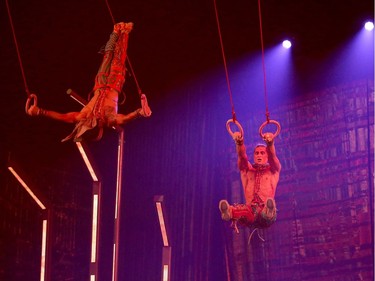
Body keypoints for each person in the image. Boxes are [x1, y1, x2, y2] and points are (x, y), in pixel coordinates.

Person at [26, 22, 151, 142]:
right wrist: (139, 112)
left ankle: (115, 32)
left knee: (107, 55)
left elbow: (62, 117)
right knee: (118, 58)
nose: (84, 123)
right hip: (114, 84)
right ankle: (124, 32)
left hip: (100, 83)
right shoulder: (109, 119)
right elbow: (124, 119)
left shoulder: (83, 116)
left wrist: (40, 111)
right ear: (94, 126)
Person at [219, 130, 281, 232]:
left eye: (262, 153)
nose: (259, 155)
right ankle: (228, 212)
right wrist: (239, 143)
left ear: (267, 155)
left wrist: (270, 144)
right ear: (254, 156)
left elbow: (273, 157)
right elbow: (242, 157)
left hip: (265, 214)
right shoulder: (247, 171)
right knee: (243, 211)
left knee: (265, 212)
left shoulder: (273, 170)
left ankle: (269, 211)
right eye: (256, 153)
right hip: (250, 212)